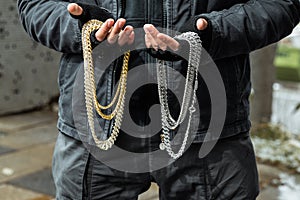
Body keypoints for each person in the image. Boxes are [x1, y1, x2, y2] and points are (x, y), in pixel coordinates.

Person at [17, 0, 300, 199]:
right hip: (95, 130)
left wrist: (213, 33)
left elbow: (281, 4)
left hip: (208, 128)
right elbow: (35, 4)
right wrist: (81, 28)